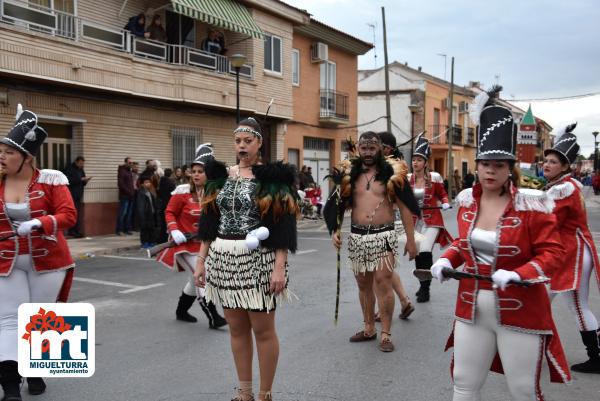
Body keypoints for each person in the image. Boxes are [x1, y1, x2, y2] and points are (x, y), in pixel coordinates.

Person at [430, 87, 571, 400]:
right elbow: (463, 245)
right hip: (471, 310)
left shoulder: (533, 205)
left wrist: (521, 273)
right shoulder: (467, 203)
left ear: (510, 169)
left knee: (522, 390)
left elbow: (554, 253)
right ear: (477, 166)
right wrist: (447, 260)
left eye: (499, 164)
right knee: (464, 384)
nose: (491, 170)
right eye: (485, 164)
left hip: (521, 311)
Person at [194, 117, 298, 401]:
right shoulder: (220, 177)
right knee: (237, 329)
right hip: (225, 259)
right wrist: (201, 261)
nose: (242, 146)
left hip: (258, 261)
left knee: (263, 330)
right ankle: (245, 393)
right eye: (238, 141)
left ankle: (265, 394)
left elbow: (283, 226)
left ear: (259, 143)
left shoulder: (272, 179)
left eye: (247, 141)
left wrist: (279, 267)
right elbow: (209, 221)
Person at [0, 104, 77, 400]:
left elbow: (69, 216)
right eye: (1, 150)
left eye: (9, 152)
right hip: (6, 261)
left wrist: (39, 222)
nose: (2, 157)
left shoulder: (52, 180)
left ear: (27, 157)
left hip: (48, 261)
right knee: (9, 319)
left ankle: (34, 369)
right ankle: (9, 383)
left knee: (41, 317)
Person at [325, 131, 419, 352]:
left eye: (372, 148)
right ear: (358, 149)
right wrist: (335, 230)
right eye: (364, 148)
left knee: (383, 282)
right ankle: (369, 328)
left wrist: (411, 240)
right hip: (358, 236)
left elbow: (406, 209)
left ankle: (385, 334)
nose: (368, 152)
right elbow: (337, 205)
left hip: (384, 235)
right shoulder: (349, 175)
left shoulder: (393, 174)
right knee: (363, 284)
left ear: (380, 149)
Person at [542, 123, 600, 374]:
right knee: (542, 300)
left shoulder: (564, 188)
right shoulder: (560, 186)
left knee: (577, 305)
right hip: (567, 251)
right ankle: (534, 347)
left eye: (553, 162)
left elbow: (545, 219)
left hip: (572, 253)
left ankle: (596, 358)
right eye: (546, 161)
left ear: (565, 167)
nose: (546, 165)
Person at [156, 144, 226, 329]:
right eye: (193, 171)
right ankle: (213, 317)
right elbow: (169, 212)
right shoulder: (182, 193)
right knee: (202, 276)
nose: (195, 175)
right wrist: (174, 230)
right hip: (184, 245)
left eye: (200, 171)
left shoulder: (214, 193)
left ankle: (181, 310)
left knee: (193, 280)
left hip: (205, 245)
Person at [409, 135, 453, 303]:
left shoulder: (434, 178)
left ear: (425, 162)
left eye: (419, 160)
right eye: (414, 159)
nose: (415, 163)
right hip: (415, 222)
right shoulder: (407, 179)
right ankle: (422, 284)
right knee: (417, 254)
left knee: (426, 250)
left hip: (432, 219)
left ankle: (426, 289)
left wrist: (446, 202)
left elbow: (442, 194)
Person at [377, 131, 415, 319]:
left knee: (380, 271)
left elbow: (405, 206)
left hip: (384, 226)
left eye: (378, 146)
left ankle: (389, 307)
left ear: (387, 149)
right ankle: (404, 301)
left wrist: (411, 239)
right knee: (384, 270)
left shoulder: (396, 170)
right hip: (371, 227)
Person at [64, 156, 92, 237]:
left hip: (78, 195)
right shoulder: (69, 168)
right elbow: (68, 181)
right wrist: (80, 180)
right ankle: (71, 231)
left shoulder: (81, 169)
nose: (82, 165)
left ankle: (76, 230)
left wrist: (85, 181)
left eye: (83, 163)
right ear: (76, 162)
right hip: (71, 194)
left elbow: (82, 181)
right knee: (72, 213)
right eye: (80, 163)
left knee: (77, 213)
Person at [136, 173, 159, 249]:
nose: (148, 184)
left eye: (149, 182)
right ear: (142, 184)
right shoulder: (141, 193)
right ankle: (145, 242)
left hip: (151, 213)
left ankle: (151, 241)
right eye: (146, 182)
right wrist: (142, 216)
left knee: (151, 228)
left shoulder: (149, 191)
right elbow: (140, 206)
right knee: (144, 229)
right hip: (145, 214)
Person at [157, 168, 176, 244]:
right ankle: (164, 239)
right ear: (171, 174)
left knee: (162, 223)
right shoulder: (171, 183)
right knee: (167, 223)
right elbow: (173, 193)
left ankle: (161, 239)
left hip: (162, 204)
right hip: (168, 204)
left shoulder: (161, 182)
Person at [116, 157, 135, 235]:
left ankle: (127, 229)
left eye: (132, 163)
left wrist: (132, 192)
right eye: (129, 163)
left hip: (130, 195)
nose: (131, 164)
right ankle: (119, 230)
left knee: (129, 213)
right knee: (123, 213)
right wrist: (129, 192)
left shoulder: (129, 171)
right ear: (125, 163)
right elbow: (121, 184)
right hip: (124, 196)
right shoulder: (122, 171)